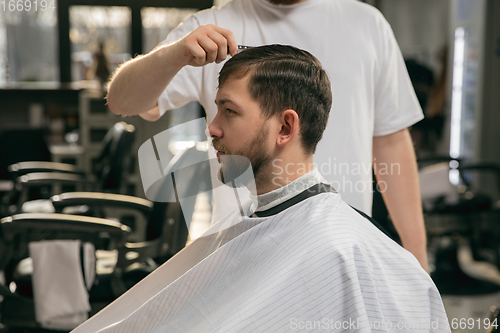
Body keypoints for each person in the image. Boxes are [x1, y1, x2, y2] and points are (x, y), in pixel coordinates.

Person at [74, 45, 449, 333]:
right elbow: (122, 98)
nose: (212, 128)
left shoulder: (338, 249)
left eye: (229, 111)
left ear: (285, 128)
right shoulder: (256, 220)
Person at [106, 0, 429, 271]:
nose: (212, 130)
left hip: (340, 255)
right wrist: (172, 55)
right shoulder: (212, 25)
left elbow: (390, 143)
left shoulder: (367, 24)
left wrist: (415, 257)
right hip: (243, 260)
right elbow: (122, 101)